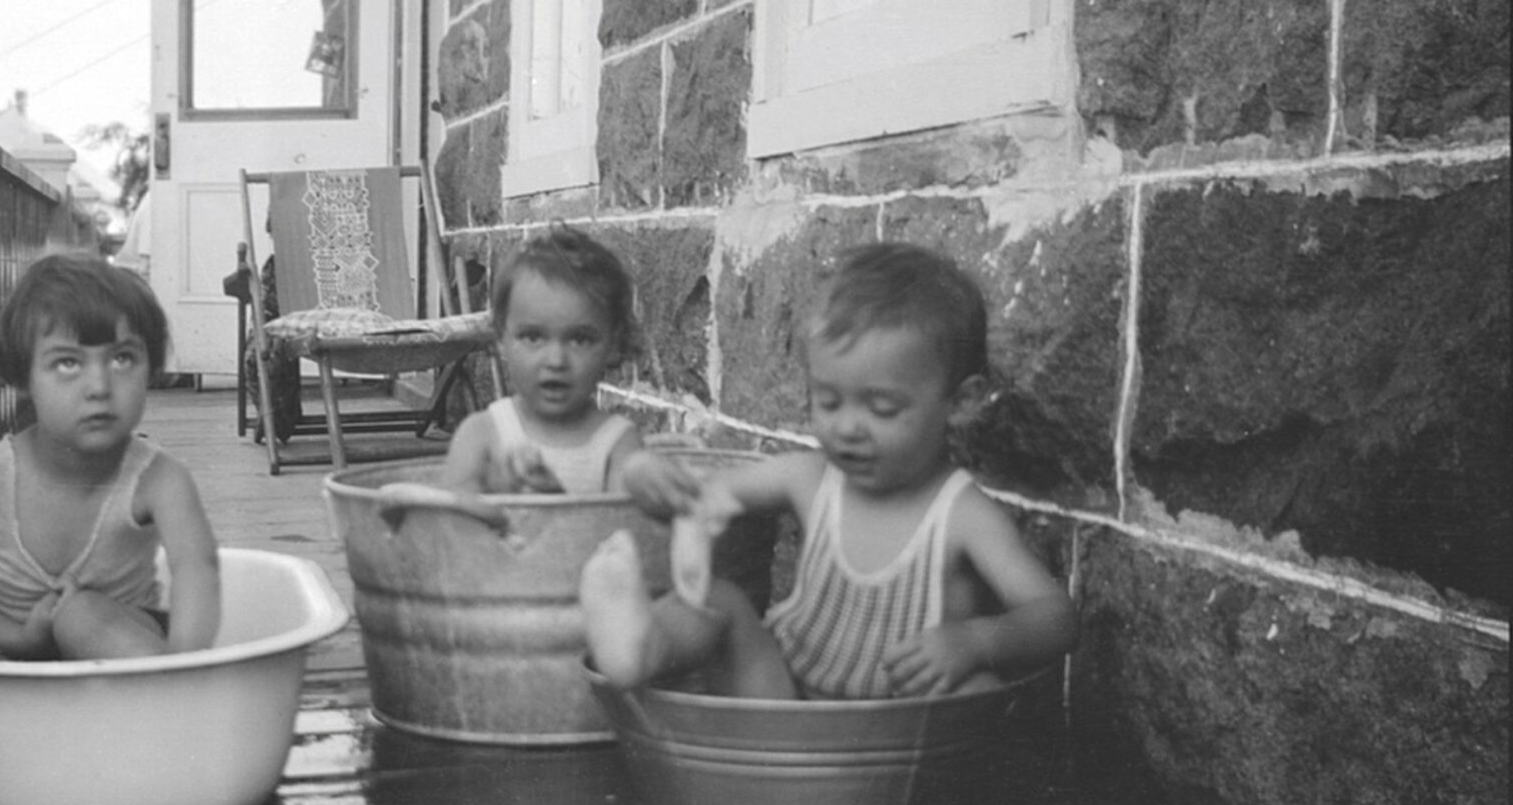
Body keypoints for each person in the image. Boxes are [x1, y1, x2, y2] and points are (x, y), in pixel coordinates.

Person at [580, 242, 1077, 699]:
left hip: (900, 721)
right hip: (780, 698)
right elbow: (700, 494)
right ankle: (640, 647)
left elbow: (1054, 617)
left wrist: (975, 641)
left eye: (881, 408)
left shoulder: (963, 514)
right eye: (828, 401)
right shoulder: (808, 478)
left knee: (978, 688)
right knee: (721, 601)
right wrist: (651, 478)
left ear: (961, 402)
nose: (848, 428)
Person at [0, 254, 221, 660]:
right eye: (67, 363)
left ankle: (175, 699)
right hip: (19, 663)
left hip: (126, 661)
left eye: (122, 358)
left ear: (151, 369)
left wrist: (189, 664)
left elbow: (196, 569)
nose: (99, 385)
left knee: (79, 615)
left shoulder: (158, 479)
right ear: (23, 378)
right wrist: (21, 637)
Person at [435, 227, 646, 495]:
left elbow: (621, 530)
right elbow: (449, 527)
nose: (556, 360)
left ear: (614, 345)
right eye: (533, 337)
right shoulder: (482, 436)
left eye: (580, 339)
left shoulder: (618, 445)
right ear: (501, 339)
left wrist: (553, 501)